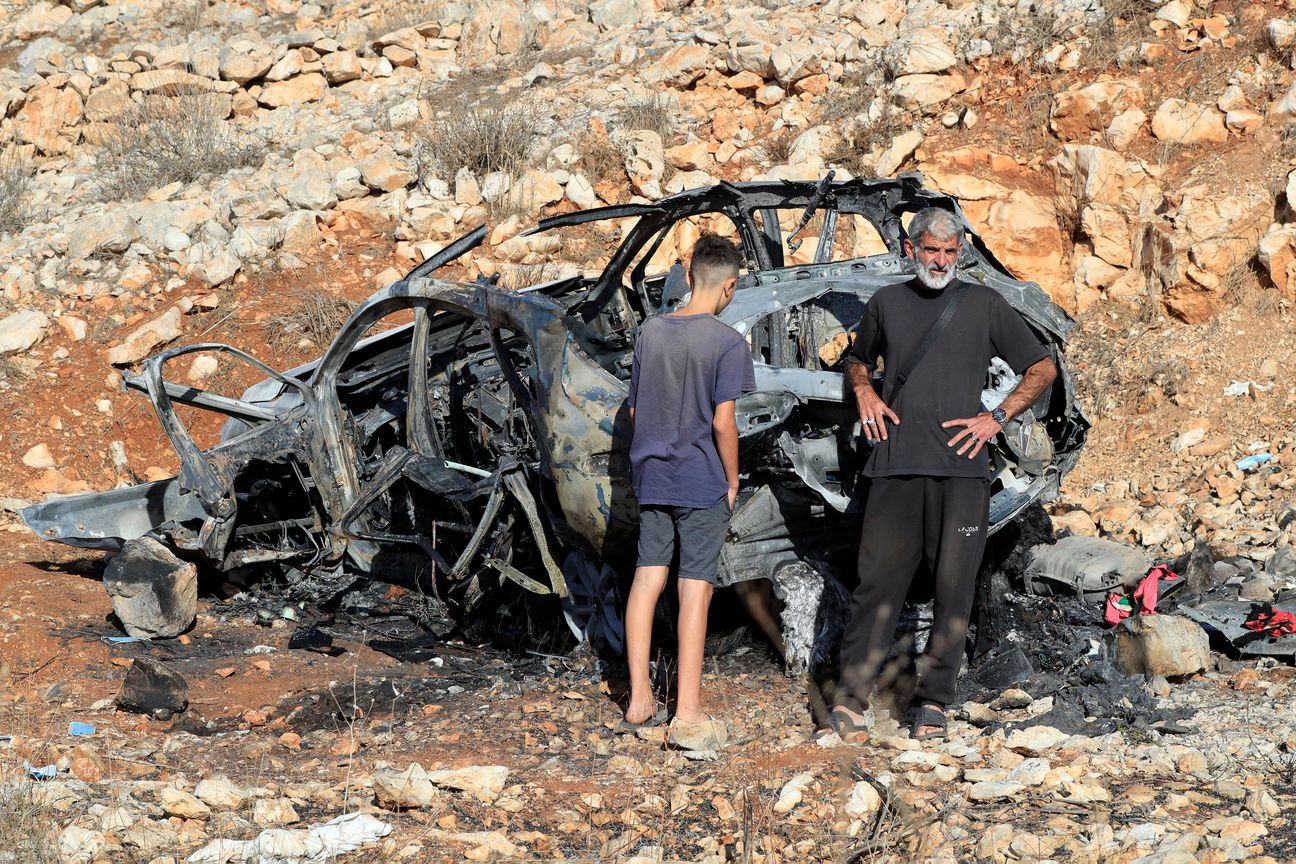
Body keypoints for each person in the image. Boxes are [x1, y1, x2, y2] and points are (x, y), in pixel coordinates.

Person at [829, 208, 1058, 742]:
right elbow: (857, 359)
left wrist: (996, 417)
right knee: (876, 586)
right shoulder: (886, 302)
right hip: (895, 466)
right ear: (911, 249)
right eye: (932, 250)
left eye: (950, 252)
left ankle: (933, 702)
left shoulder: (983, 304)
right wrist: (864, 390)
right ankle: (850, 700)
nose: (941, 261)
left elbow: (1042, 367)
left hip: (961, 471)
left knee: (953, 589)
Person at [621, 234, 755, 750]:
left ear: (690, 275)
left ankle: (639, 700)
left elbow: (635, 410)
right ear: (729, 286)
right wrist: (732, 478)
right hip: (700, 481)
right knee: (693, 588)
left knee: (647, 579)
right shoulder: (727, 343)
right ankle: (688, 711)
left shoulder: (651, 332)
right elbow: (724, 423)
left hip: (652, 476)